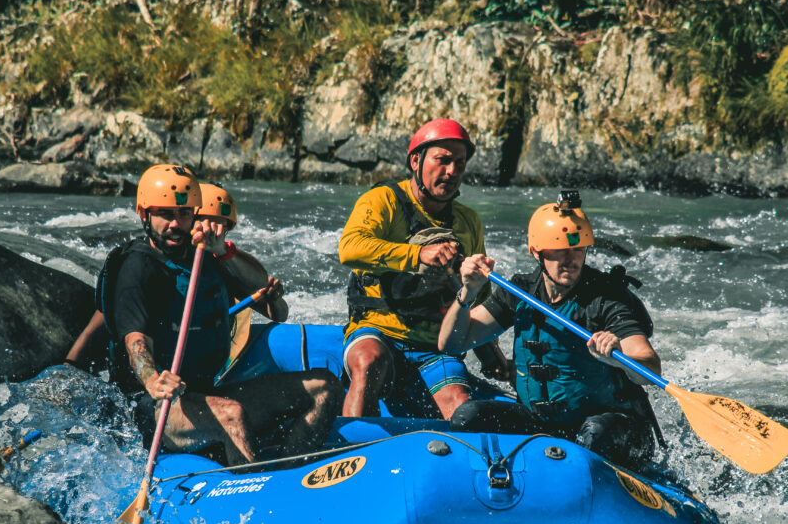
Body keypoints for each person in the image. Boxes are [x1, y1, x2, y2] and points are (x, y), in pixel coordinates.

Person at [107, 164, 341, 464]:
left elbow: (272, 305)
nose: (176, 224)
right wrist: (153, 380)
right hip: (154, 407)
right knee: (231, 415)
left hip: (205, 393)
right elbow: (135, 340)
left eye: (184, 214)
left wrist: (224, 252)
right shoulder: (137, 266)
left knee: (324, 386)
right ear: (144, 214)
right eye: (165, 215)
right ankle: (250, 490)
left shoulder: (206, 256)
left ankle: (290, 471)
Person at [438, 191, 663, 469]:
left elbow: (651, 369)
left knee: (593, 436)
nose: (570, 259)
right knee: (467, 417)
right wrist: (468, 292)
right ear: (536, 252)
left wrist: (616, 355)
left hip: (612, 427)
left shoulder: (606, 298)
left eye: (578, 248)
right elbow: (452, 343)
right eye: (559, 250)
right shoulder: (519, 290)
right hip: (543, 423)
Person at [338, 118, 491, 418]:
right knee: (369, 363)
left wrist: (489, 352)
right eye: (442, 160)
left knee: (461, 404)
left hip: (435, 345)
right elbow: (350, 248)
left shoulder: (468, 220)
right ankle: (351, 452)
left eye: (459, 164)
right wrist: (418, 255)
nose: (452, 172)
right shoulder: (383, 200)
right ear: (416, 160)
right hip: (377, 330)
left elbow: (478, 297)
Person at [63, 180, 287, 368]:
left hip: (200, 371)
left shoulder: (220, 262)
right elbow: (98, 329)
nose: (211, 233)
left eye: (221, 229)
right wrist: (69, 370)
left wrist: (272, 298)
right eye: (205, 224)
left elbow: (279, 313)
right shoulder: (145, 265)